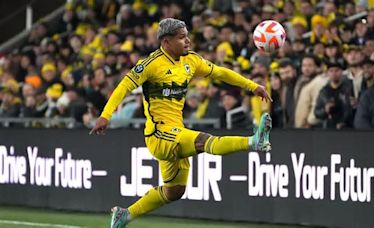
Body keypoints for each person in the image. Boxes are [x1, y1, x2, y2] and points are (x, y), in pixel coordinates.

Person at [89, 18, 273, 228]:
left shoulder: (191, 61)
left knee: (174, 191)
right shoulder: (151, 64)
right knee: (204, 141)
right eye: (182, 37)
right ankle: (253, 141)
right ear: (166, 42)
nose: (188, 41)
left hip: (176, 132)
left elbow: (221, 72)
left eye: (187, 36)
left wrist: (252, 86)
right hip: (159, 135)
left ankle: (125, 215)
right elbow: (123, 87)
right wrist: (106, 115)